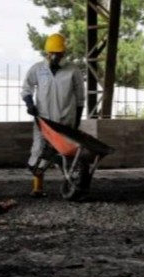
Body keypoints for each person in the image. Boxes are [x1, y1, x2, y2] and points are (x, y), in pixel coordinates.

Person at [21, 33, 85, 197]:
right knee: (38, 151)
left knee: (66, 154)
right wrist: (30, 104)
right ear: (47, 53)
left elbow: (79, 97)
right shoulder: (37, 69)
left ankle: (69, 182)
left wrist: (77, 120)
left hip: (65, 121)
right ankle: (37, 188)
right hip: (43, 120)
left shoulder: (73, 71)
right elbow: (26, 89)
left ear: (64, 53)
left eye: (59, 53)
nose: (55, 56)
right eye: (52, 53)